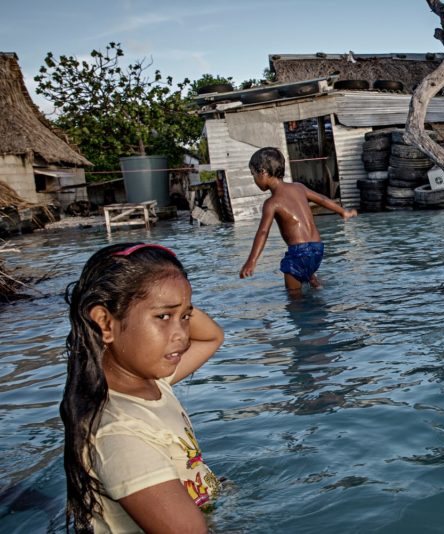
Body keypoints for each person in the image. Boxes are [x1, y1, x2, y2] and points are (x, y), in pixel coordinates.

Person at [60, 243, 225, 533]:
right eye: (163, 317)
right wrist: (175, 301)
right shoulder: (119, 434)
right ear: (104, 323)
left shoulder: (154, 383)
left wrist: (174, 298)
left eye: (185, 317)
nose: (182, 336)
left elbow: (211, 337)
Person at [240, 147, 357, 292]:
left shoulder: (272, 203)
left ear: (263, 172)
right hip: (318, 248)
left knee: (294, 298)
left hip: (299, 252)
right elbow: (322, 199)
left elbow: (263, 232)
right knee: (308, 272)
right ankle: (316, 283)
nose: (254, 180)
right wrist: (342, 212)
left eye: (253, 175)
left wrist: (251, 261)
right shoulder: (299, 187)